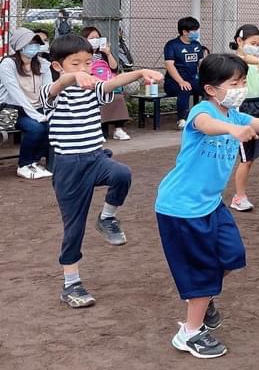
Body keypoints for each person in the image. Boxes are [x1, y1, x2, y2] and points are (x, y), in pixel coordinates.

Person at [156, 53, 259, 359]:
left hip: (210, 205)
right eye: (234, 83)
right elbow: (207, 125)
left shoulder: (237, 115)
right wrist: (232, 131)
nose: (241, 88)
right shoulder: (202, 111)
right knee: (202, 271)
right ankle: (189, 333)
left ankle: (203, 298)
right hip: (180, 207)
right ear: (211, 89)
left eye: (243, 82)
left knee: (233, 255)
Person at [40, 34, 163, 308]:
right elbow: (54, 89)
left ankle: (107, 217)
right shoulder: (53, 89)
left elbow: (111, 82)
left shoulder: (92, 87)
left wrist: (140, 72)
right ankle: (71, 284)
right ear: (58, 65)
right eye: (75, 63)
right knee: (74, 227)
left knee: (122, 174)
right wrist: (71, 78)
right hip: (69, 166)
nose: (84, 68)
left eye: (87, 63)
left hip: (96, 158)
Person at [227, 24, 259, 211]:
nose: (257, 46)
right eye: (253, 43)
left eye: (258, 43)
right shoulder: (235, 61)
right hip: (242, 109)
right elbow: (246, 59)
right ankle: (239, 196)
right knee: (247, 156)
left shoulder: (257, 60)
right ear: (239, 41)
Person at [0, 28, 53, 178]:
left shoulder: (43, 64)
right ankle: (23, 165)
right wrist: (35, 115)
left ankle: (34, 162)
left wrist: (47, 111)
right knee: (35, 128)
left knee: (51, 125)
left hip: (38, 107)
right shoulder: (7, 64)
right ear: (19, 45)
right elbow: (15, 94)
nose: (34, 47)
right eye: (30, 43)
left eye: (36, 43)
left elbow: (48, 90)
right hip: (12, 109)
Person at [81, 26, 131, 141]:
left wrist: (108, 54)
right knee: (99, 97)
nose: (95, 40)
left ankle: (118, 129)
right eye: (91, 38)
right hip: (93, 84)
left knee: (118, 97)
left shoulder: (103, 54)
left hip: (108, 83)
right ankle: (99, 130)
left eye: (97, 37)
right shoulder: (82, 55)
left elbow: (114, 68)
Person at [163, 16, 205, 129]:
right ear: (184, 32)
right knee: (185, 88)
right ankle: (182, 120)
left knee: (208, 89)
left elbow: (201, 63)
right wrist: (181, 81)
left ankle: (204, 116)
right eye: (194, 30)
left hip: (193, 78)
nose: (196, 33)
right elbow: (169, 65)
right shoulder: (172, 45)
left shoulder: (196, 45)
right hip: (173, 81)